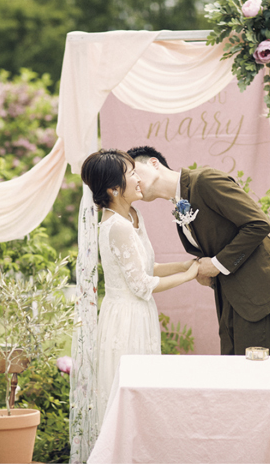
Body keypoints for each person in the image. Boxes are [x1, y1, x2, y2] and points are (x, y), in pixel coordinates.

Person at [127, 145, 270, 357]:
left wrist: (216, 264)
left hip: (260, 294)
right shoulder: (179, 204)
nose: (134, 180)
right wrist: (207, 269)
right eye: (127, 178)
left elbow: (258, 224)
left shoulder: (204, 180)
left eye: (134, 171)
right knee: (235, 376)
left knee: (259, 378)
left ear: (153, 162)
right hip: (231, 298)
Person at [80, 149, 199, 429]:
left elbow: (148, 266)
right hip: (125, 320)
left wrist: (186, 264)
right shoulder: (116, 227)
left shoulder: (133, 215)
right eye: (131, 173)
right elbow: (142, 285)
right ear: (113, 189)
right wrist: (191, 275)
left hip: (141, 314)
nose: (138, 179)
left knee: (144, 398)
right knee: (127, 403)